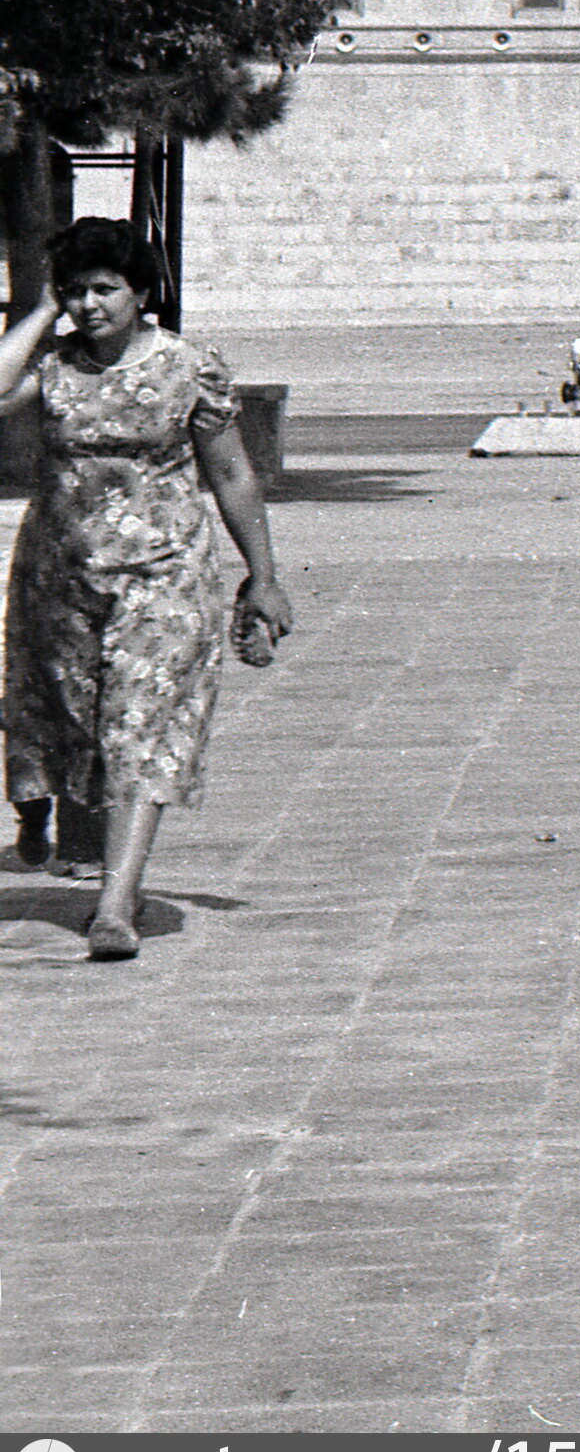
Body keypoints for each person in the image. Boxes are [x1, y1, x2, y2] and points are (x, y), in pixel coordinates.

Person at [0, 217, 292, 962]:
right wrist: (35, 311)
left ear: (141, 292)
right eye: (75, 290)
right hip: (58, 579)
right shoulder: (55, 368)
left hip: (164, 580)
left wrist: (264, 576)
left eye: (106, 288)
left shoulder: (190, 367)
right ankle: (33, 816)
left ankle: (114, 902)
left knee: (140, 729)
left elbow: (231, 474)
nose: (90, 304)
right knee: (55, 722)